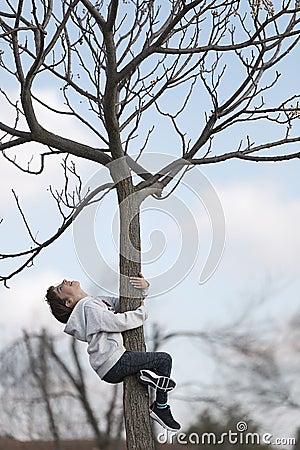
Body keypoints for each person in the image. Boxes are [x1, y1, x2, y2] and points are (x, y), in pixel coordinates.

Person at [45, 273, 181, 432]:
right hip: (114, 361)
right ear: (69, 302)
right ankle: (161, 407)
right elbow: (116, 322)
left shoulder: (95, 302)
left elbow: (122, 304)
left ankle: (146, 375)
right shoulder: (88, 308)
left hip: (111, 365)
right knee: (164, 360)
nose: (64, 281)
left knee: (154, 364)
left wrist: (143, 290)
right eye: (61, 288)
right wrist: (141, 314)